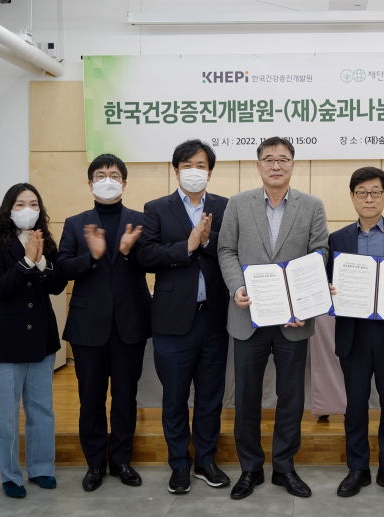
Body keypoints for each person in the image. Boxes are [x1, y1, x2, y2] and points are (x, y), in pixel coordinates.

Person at [217, 136, 328, 500]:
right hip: (247, 317)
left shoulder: (312, 206)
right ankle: (250, 468)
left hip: (292, 322)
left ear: (293, 164)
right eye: (269, 159)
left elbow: (319, 253)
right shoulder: (238, 204)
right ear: (258, 165)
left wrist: (303, 304)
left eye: (283, 159)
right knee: (246, 397)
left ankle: (284, 467)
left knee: (291, 397)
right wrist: (236, 287)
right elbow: (226, 250)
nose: (276, 165)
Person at [135, 140, 230, 495]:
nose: (194, 171)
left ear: (210, 172)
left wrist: (205, 241)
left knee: (210, 396)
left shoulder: (225, 206)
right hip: (173, 320)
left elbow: (232, 248)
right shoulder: (156, 208)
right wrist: (186, 246)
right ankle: (179, 464)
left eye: (201, 166)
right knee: (174, 397)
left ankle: (205, 460)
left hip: (214, 318)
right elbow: (145, 256)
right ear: (176, 171)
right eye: (187, 165)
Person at [57, 154, 150, 491]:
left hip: (130, 323)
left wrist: (127, 252)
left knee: (125, 396)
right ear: (90, 183)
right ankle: (94, 464)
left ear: (124, 183)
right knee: (91, 399)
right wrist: (92, 256)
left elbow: (152, 262)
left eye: (113, 175)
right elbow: (62, 269)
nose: (106, 180)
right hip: (88, 326)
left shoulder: (141, 220)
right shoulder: (74, 223)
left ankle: (121, 461)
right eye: (100, 175)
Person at [327, 167, 384, 500]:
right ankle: (358, 469)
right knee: (355, 406)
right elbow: (329, 283)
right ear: (352, 196)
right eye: (362, 192)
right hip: (353, 334)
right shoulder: (337, 239)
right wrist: (330, 289)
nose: (369, 198)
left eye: (376, 192)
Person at [0, 183, 67, 498]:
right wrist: (26, 262)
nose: (27, 209)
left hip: (41, 340)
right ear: (8, 209)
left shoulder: (45, 240)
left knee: (41, 410)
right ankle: (10, 475)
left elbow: (57, 285)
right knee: (5, 416)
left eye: (33, 204)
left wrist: (42, 261)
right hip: (6, 342)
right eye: (20, 204)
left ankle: (42, 468)